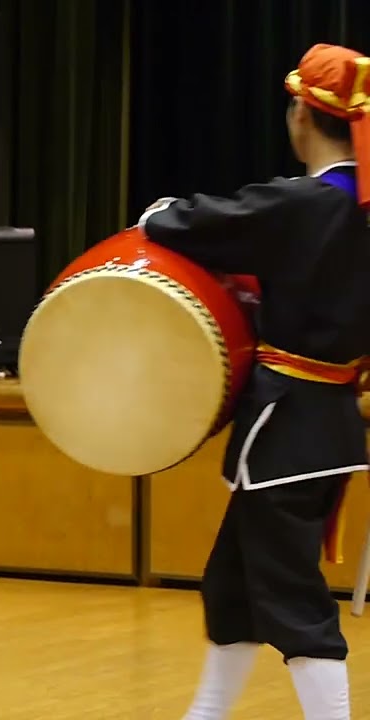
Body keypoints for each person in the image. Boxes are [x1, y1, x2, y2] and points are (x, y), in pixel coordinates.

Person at [137, 43, 370, 720]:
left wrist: (156, 214)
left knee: (294, 604)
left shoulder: (300, 206)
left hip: (286, 432)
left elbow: (190, 223)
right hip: (328, 428)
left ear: (301, 114)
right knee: (233, 589)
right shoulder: (359, 213)